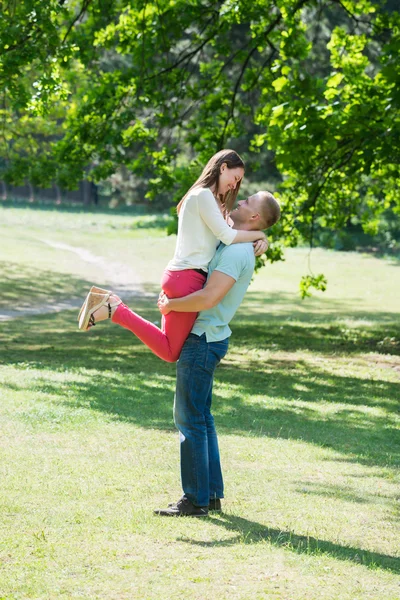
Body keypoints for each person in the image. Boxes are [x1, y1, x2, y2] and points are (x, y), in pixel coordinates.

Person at [153, 191, 281, 517]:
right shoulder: (236, 239)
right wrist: (262, 235)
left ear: (254, 217)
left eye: (249, 201)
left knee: (189, 419)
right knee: (202, 419)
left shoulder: (238, 252)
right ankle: (209, 494)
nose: (242, 200)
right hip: (209, 339)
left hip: (202, 340)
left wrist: (171, 306)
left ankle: (194, 499)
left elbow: (209, 297)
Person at [78, 150, 268, 362]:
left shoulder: (212, 201)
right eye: (235, 178)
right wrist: (260, 234)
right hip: (187, 277)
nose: (235, 186)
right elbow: (227, 235)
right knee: (170, 352)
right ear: (223, 167)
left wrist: (262, 241)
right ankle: (114, 308)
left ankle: (112, 307)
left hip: (183, 276)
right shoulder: (203, 195)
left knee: (168, 344)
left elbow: (234, 234)